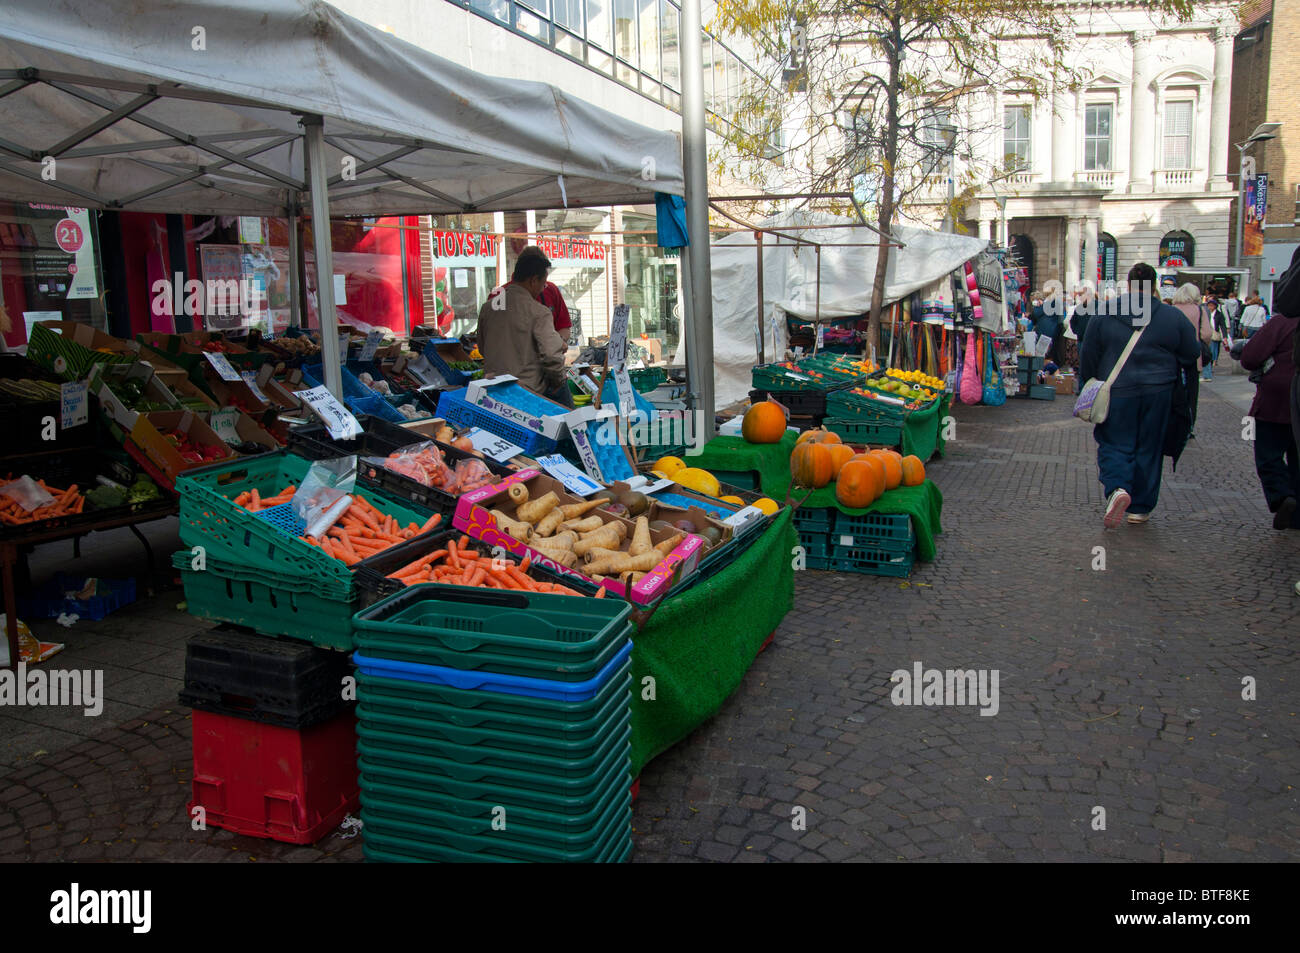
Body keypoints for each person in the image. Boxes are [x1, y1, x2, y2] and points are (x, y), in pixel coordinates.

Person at [1080, 262, 1200, 527]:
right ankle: (1141, 507)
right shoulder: (1172, 317)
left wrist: (1089, 384)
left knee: (1114, 442)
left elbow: (1088, 353)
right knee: (1150, 446)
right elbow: (1191, 353)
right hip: (1159, 390)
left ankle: (1118, 487)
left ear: (1129, 284)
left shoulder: (1105, 313)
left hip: (1117, 390)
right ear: (1155, 285)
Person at [475, 247, 571, 407]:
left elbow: (483, 348)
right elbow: (551, 356)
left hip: (492, 391)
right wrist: (559, 380)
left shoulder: (488, 307)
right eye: (543, 283)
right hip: (526, 394)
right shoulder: (538, 312)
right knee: (570, 417)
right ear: (533, 280)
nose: (544, 287)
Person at [1239, 284, 1300, 530]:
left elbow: (1250, 356)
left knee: (1268, 455)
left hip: (1277, 399)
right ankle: (1296, 514)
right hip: (1284, 397)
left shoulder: (1282, 322)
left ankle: (1282, 496)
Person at [515, 245, 573, 342]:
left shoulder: (552, 290)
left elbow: (564, 328)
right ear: (534, 280)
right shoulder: (499, 297)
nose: (543, 289)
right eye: (542, 282)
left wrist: (559, 341)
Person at [1204, 298, 1225, 381]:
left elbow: (1222, 325)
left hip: (1215, 333)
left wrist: (1225, 336)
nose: (1210, 307)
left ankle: (1212, 363)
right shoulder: (1206, 313)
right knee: (1210, 350)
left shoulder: (1219, 314)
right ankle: (1211, 364)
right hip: (1208, 333)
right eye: (1209, 305)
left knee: (1214, 349)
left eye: (1212, 306)